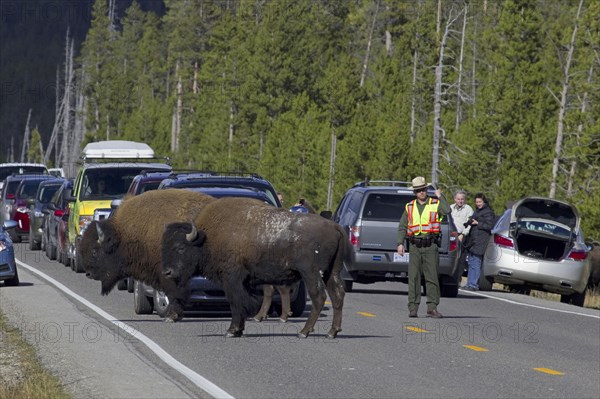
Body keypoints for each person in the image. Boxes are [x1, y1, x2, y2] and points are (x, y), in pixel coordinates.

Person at [396, 176, 451, 318]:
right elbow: (402, 226)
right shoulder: (409, 207)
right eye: (418, 190)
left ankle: (432, 307)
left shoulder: (435, 203)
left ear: (426, 190)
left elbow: (447, 211)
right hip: (414, 246)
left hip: (430, 245)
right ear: (414, 192)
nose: (421, 192)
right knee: (413, 278)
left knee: (432, 277)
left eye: (423, 189)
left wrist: (441, 196)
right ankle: (413, 307)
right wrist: (400, 243)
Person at [461, 193, 495, 291]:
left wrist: (478, 223)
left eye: (480, 202)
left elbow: (490, 226)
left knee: (476, 261)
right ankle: (469, 283)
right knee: (471, 262)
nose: (478, 203)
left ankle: (473, 284)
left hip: (481, 239)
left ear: (484, 201)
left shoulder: (488, 212)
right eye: (476, 202)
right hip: (474, 239)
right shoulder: (478, 211)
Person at [451, 190, 474, 281]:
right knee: (452, 257)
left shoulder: (468, 209)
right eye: (458, 199)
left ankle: (458, 278)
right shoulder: (450, 208)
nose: (460, 201)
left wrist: (463, 234)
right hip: (452, 235)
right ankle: (450, 276)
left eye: (462, 199)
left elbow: (470, 224)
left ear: (464, 200)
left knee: (461, 258)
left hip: (462, 236)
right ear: (455, 199)